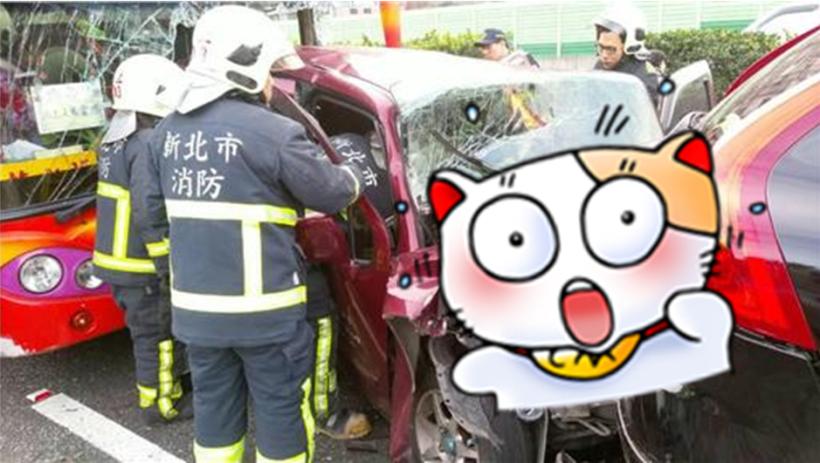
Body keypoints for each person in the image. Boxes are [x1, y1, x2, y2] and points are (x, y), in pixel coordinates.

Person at [133, 5, 366, 463]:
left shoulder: (164, 135)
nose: (272, 83)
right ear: (246, 66)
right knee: (281, 409)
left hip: (197, 314)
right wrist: (357, 172)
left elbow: (153, 214)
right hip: (266, 316)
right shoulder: (276, 133)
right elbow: (332, 192)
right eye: (270, 72)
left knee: (215, 411)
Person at [92, 54, 191, 425]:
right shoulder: (147, 142)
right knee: (156, 335)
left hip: (117, 262)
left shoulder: (114, 140)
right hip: (139, 264)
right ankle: (161, 404)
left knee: (151, 333)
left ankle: (170, 386)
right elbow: (149, 209)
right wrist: (166, 262)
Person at [592, 5, 662, 106]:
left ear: (629, 45)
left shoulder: (643, 79)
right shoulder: (602, 65)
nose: (604, 55)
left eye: (611, 49)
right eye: (601, 47)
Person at [474, 28, 540, 69]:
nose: (484, 52)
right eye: (483, 48)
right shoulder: (488, 66)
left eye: (488, 47)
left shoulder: (520, 58)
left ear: (502, 43)